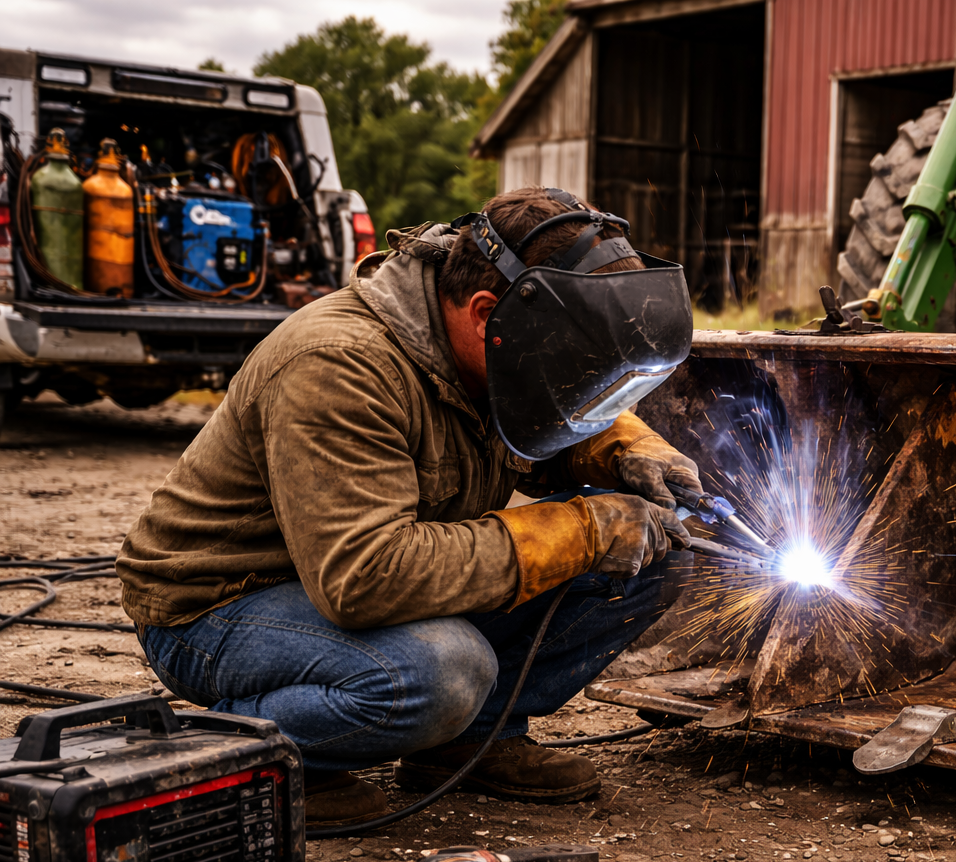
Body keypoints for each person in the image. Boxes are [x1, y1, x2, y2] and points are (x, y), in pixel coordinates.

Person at [117, 187, 700, 825]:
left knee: (654, 552)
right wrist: (579, 531)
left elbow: (546, 425)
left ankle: (467, 741)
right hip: (223, 606)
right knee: (442, 669)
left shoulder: (494, 348)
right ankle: (232, 759)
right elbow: (364, 578)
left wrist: (624, 449)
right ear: (485, 313)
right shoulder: (340, 365)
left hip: (364, 580)